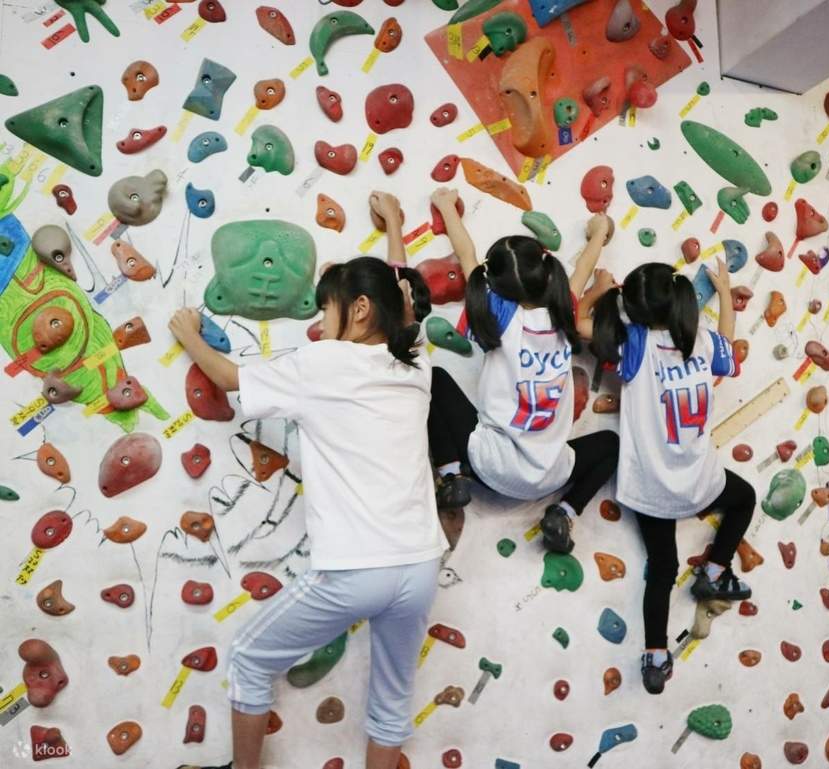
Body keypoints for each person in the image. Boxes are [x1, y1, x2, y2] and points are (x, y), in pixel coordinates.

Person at [171, 193, 447, 769]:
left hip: (356, 569)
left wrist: (189, 333)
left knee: (248, 655)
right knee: (392, 699)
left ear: (361, 309)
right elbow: (401, 292)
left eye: (327, 310)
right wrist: (394, 224)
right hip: (421, 562)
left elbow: (229, 378)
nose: (320, 323)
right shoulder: (416, 359)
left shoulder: (323, 364)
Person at [583, 260, 756, 695]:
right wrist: (724, 292)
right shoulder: (700, 341)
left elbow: (582, 327)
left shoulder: (633, 344)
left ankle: (656, 655)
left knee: (662, 569)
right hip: (700, 483)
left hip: (652, 488)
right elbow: (730, 350)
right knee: (745, 497)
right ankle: (716, 569)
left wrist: (603, 287)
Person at [428, 187, 619, 554]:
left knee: (434, 380)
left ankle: (451, 475)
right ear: (546, 276)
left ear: (496, 288)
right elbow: (582, 268)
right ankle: (564, 512)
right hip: (547, 476)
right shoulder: (565, 314)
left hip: (489, 465)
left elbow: (466, 255)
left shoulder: (496, 315)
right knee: (610, 445)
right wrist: (599, 231)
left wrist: (446, 207)